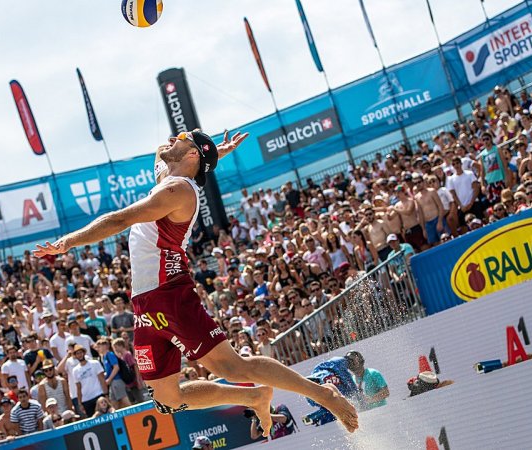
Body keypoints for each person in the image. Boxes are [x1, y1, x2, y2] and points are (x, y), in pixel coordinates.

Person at [34, 130, 358, 435]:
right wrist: (217, 152)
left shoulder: (178, 190)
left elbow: (121, 220)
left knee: (232, 366)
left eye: (183, 137)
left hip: (169, 293)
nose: (172, 137)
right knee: (167, 400)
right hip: (144, 304)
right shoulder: (169, 177)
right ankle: (254, 398)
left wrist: (68, 242)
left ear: (190, 154)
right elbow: (162, 155)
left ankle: (324, 394)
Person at [70, 345, 106, 417]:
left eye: (80, 352)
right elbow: (78, 387)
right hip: (86, 399)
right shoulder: (75, 370)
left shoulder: (95, 363)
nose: (79, 355)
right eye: (77, 353)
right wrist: (80, 403)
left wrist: (106, 394)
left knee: (105, 416)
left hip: (98, 395)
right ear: (75, 356)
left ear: (84, 353)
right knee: (93, 421)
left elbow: (102, 379)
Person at [96, 338, 131, 409]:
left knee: (124, 400)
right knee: (114, 403)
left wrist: (109, 379)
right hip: (112, 382)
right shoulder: (104, 357)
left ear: (105, 346)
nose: (98, 349)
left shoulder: (110, 354)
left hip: (116, 380)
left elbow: (116, 367)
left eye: (99, 346)